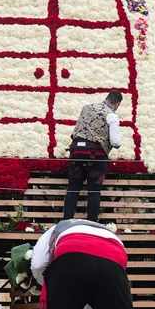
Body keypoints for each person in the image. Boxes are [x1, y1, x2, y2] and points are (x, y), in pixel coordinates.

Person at [65, 91, 124, 222]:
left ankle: (66, 222)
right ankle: (91, 224)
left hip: (76, 153)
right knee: (94, 192)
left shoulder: (86, 108)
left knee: (73, 189)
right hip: (96, 156)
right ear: (117, 104)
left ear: (106, 98)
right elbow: (116, 142)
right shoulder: (111, 116)